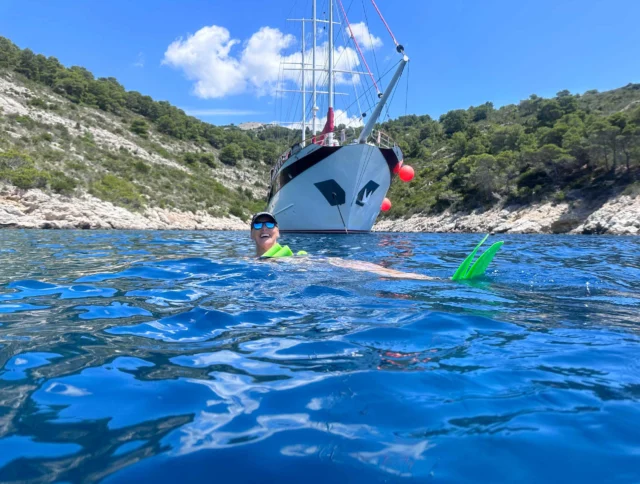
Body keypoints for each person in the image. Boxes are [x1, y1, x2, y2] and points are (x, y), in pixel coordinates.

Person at [249, 212, 433, 280]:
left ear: (278, 231)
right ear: (251, 234)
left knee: (353, 265)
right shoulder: (246, 263)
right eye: (258, 224)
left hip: (303, 264)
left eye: (269, 224)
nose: (264, 227)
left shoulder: (294, 256)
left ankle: (420, 277)